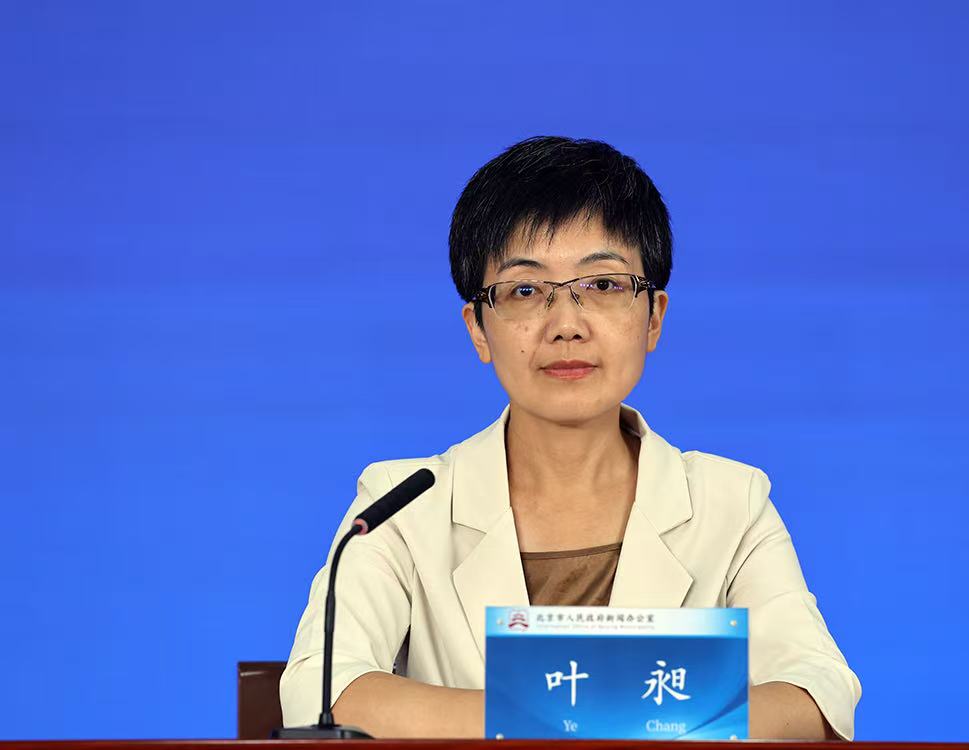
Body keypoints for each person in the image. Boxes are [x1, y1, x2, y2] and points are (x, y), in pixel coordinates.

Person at [280, 135, 862, 739]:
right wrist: (590, 720)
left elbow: (817, 695)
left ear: (654, 317)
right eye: (525, 291)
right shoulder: (402, 507)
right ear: (478, 328)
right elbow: (319, 692)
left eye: (603, 286)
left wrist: (553, 721)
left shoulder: (730, 504)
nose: (566, 326)